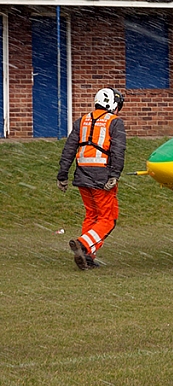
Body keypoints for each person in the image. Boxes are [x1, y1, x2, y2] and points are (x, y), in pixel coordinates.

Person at [57, 88, 126, 270]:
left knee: (92, 215)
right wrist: (115, 175)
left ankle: (87, 257)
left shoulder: (82, 120)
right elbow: (118, 151)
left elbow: (69, 149)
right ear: (112, 105)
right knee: (108, 219)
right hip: (102, 176)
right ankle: (84, 245)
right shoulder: (115, 122)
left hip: (81, 175)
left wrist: (62, 175)